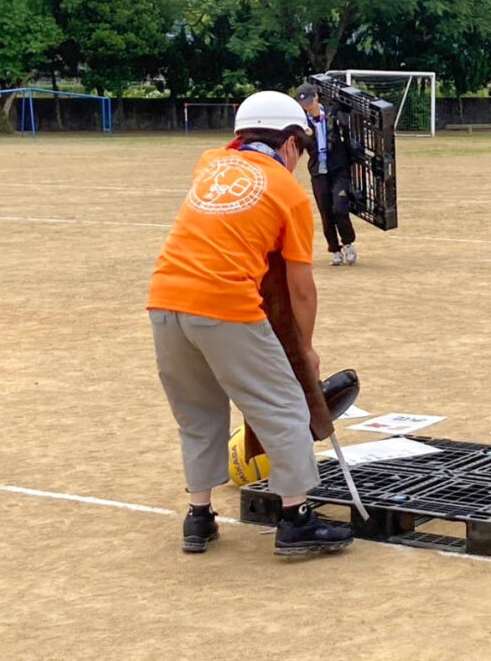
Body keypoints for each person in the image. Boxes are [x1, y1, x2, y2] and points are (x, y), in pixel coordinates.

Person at [147, 90, 353, 556]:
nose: (299, 157)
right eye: (299, 147)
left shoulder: (208, 163)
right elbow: (301, 287)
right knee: (284, 406)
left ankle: (199, 517)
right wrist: (305, 347)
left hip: (164, 301)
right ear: (287, 143)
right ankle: (296, 518)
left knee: (198, 414)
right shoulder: (289, 193)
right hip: (225, 305)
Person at [296, 83, 358, 266]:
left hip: (339, 168)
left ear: (316, 96)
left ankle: (348, 243)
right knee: (325, 212)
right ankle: (335, 250)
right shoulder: (301, 123)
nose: (308, 106)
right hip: (318, 171)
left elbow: (351, 120)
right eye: (304, 104)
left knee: (339, 208)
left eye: (309, 101)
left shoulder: (333, 113)